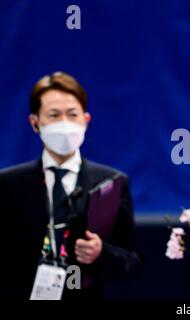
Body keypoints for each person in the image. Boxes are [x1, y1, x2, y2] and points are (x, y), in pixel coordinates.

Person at [0, 72, 141, 299]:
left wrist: (100, 252)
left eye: (72, 114)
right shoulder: (8, 184)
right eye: (54, 115)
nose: (64, 124)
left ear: (85, 120)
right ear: (35, 123)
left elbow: (133, 261)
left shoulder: (111, 183)